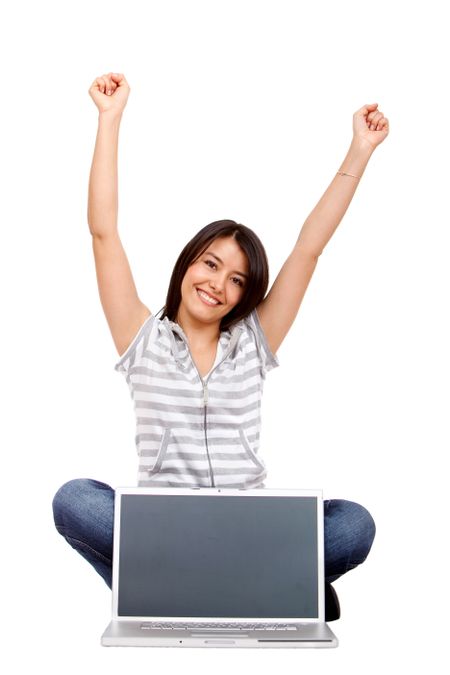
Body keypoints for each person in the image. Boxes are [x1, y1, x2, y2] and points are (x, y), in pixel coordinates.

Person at [52, 72, 389, 621]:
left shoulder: (253, 344)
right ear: (188, 263)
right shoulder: (142, 338)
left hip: (246, 531)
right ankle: (263, 590)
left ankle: (181, 592)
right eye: (211, 264)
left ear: (245, 293)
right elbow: (103, 232)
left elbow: (308, 249)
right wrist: (108, 120)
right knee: (74, 500)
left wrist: (361, 149)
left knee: (353, 524)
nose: (218, 283)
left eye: (236, 279)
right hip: (167, 533)